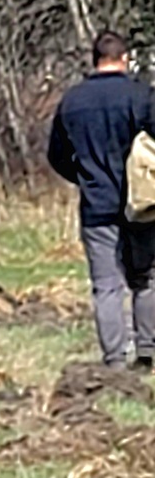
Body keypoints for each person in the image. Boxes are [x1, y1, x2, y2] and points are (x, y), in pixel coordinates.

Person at [48, 29, 155, 370]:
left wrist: (85, 179)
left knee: (107, 286)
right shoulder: (143, 96)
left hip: (97, 207)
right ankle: (148, 352)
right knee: (146, 279)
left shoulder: (73, 100)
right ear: (124, 59)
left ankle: (113, 361)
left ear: (95, 60)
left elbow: (56, 155)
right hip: (143, 205)